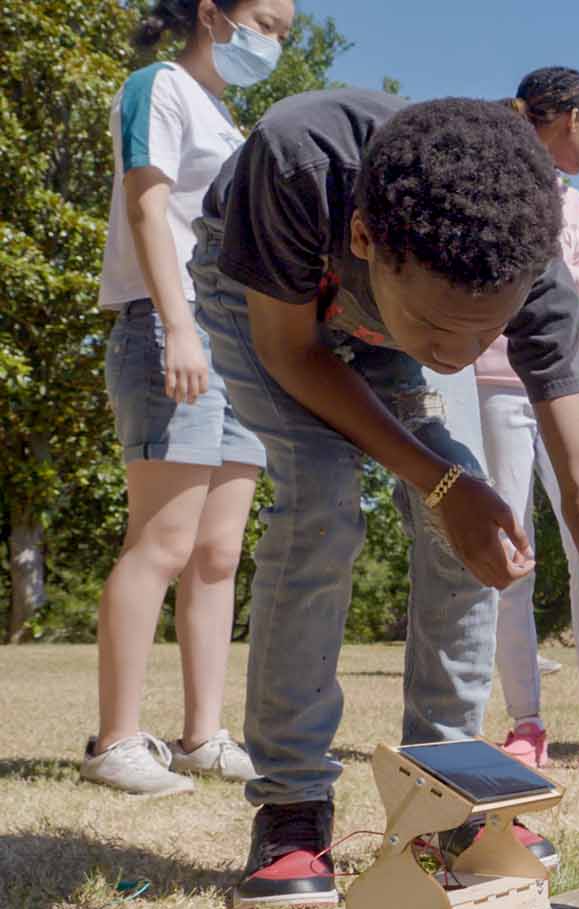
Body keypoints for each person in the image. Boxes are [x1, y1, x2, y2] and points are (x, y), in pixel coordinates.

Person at [188, 90, 579, 908]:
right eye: (444, 333)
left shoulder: (530, 264)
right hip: (265, 303)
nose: (457, 360)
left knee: (475, 517)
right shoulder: (302, 157)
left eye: (486, 336)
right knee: (322, 499)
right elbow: (294, 353)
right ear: (366, 238)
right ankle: (293, 808)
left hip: (378, 319)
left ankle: (444, 796)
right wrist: (440, 483)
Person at [82, 0, 294, 796]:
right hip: (171, 333)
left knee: (216, 555)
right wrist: (178, 327)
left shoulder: (229, 120)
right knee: (162, 544)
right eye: (264, 22)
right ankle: (115, 742)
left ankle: (203, 736)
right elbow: (146, 201)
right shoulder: (157, 86)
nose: (272, 42)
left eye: (284, 32)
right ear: (212, 14)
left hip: (235, 349)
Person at [473, 67, 579, 771]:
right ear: (570, 116)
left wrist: (545, 269)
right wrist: (554, 271)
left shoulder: (571, 201)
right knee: (509, 552)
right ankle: (526, 723)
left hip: (571, 386)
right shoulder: (488, 179)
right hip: (493, 382)